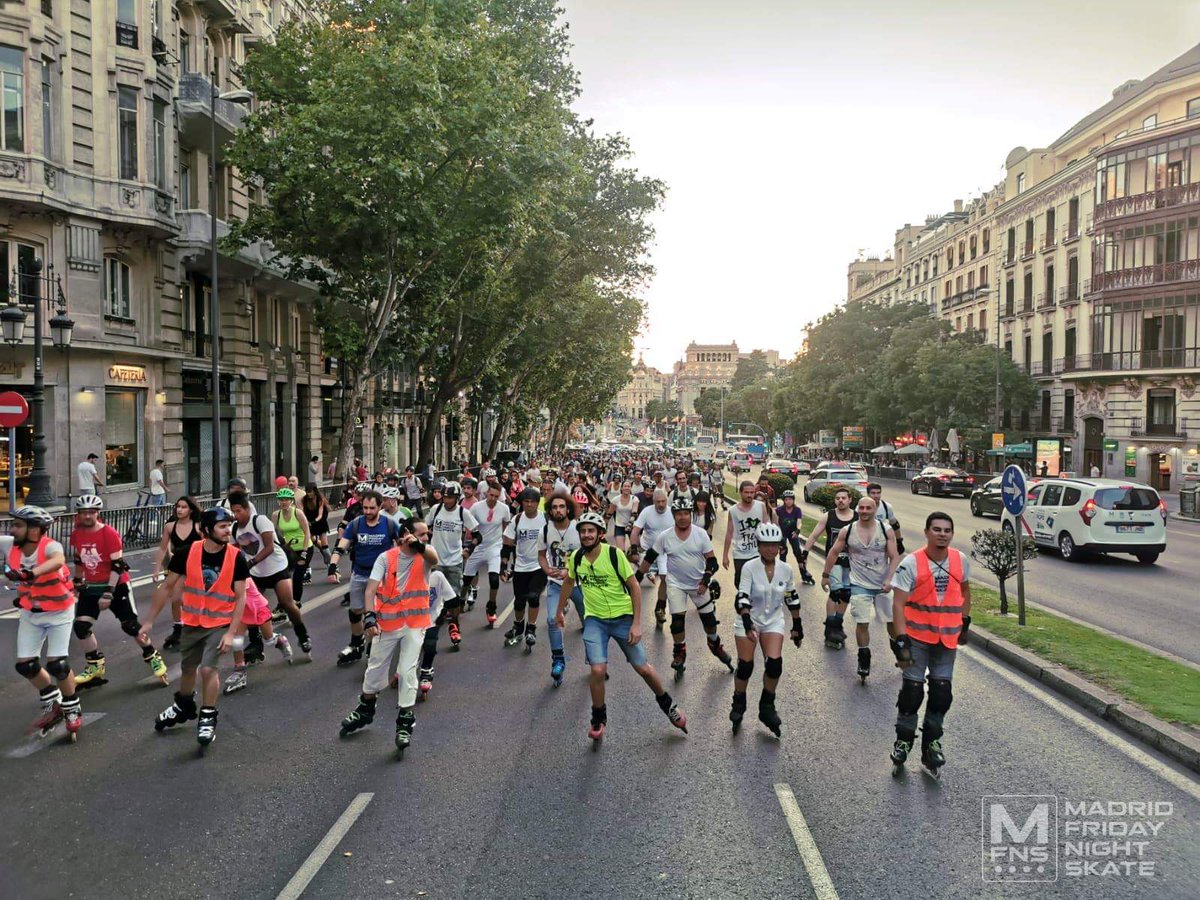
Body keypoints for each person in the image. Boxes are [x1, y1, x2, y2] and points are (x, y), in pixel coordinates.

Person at [557, 511, 688, 745]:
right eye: (583, 531)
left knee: (644, 669)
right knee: (597, 671)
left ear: (599, 534)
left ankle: (669, 706)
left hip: (623, 619)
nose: (586, 535)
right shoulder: (576, 558)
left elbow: (634, 587)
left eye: (591, 531)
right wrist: (559, 611)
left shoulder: (614, 555)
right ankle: (598, 718)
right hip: (595, 621)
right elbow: (568, 581)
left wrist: (636, 624)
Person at [141, 507, 249, 749]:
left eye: (229, 526)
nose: (227, 532)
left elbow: (241, 597)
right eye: (222, 527)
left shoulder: (236, 557)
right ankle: (184, 705)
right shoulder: (186, 553)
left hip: (220, 623)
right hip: (192, 622)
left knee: (208, 670)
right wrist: (149, 620)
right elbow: (167, 588)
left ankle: (208, 715)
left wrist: (232, 633)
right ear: (206, 530)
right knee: (188, 668)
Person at [338, 519, 442, 755]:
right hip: (387, 623)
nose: (426, 537)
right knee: (374, 667)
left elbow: (434, 558)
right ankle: (365, 709)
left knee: (406, 671)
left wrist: (421, 544)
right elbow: (370, 590)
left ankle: (405, 722)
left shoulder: (425, 556)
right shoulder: (386, 558)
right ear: (406, 534)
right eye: (421, 534)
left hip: (415, 624)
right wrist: (370, 617)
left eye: (427, 534)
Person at [888, 511, 972, 776]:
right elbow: (898, 604)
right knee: (913, 691)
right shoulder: (910, 563)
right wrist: (901, 641)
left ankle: (932, 743)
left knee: (941, 692)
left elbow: (965, 591)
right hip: (916, 637)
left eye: (947, 530)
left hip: (946, 638)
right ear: (926, 532)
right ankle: (903, 739)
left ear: (952, 534)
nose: (942, 534)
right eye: (937, 529)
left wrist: (965, 622)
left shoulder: (960, 560)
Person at [68, 495, 168, 688]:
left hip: (116, 584)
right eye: (83, 512)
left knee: (130, 625)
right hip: (91, 586)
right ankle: (95, 665)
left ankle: (152, 655)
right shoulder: (77, 534)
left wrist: (108, 593)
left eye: (91, 512)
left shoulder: (109, 533)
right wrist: (78, 582)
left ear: (98, 513)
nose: (87, 516)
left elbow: (117, 565)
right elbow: (79, 559)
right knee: (81, 627)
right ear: (78, 515)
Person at [7, 506, 84, 740]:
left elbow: (58, 560)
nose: (13, 529)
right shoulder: (11, 545)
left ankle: (71, 707)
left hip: (60, 611)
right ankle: (52, 701)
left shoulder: (50, 546)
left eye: (19, 525)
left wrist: (31, 573)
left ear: (35, 530)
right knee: (26, 666)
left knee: (58, 664)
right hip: (32, 611)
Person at [637, 496, 730, 681]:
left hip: (698, 585)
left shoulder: (700, 534)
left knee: (710, 622)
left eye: (686, 513)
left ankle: (714, 644)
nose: (682, 517)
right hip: (676, 585)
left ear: (691, 514)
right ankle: (679, 652)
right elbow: (649, 558)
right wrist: (636, 579)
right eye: (678, 514)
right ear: (674, 515)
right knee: (677, 623)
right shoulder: (665, 536)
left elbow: (712, 561)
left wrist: (706, 580)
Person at [730, 522, 802, 737]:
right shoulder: (749, 567)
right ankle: (739, 703)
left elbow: (791, 596)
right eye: (765, 545)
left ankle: (766, 707)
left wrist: (797, 625)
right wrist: (746, 621)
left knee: (774, 665)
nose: (770, 549)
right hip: (748, 618)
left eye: (775, 545)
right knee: (745, 666)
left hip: (772, 620)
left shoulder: (786, 569)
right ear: (758, 546)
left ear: (780, 547)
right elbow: (742, 596)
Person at [822, 496, 899, 682]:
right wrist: (825, 575)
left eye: (868, 508)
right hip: (859, 585)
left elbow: (895, 557)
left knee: (892, 623)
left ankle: (899, 649)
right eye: (861, 508)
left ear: (875, 510)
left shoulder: (885, 530)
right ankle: (864, 659)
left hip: (882, 586)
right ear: (857, 510)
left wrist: (889, 579)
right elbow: (833, 552)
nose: (864, 511)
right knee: (862, 623)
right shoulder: (847, 531)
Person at [229, 491, 312, 655]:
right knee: (250, 608)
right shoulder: (234, 529)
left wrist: (250, 562)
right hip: (255, 573)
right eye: (234, 511)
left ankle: (303, 636)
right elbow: (233, 552)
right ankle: (255, 644)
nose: (236, 515)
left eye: (239, 511)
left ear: (247, 509)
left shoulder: (259, 521)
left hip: (276, 567)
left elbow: (269, 547)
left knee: (287, 603)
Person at [328, 490, 404, 665]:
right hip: (360, 574)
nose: (368, 511)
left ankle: (375, 644)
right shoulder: (356, 524)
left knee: (378, 613)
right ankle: (356, 645)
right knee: (355, 611)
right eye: (365, 508)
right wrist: (333, 565)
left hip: (382, 577)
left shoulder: (389, 524)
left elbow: (404, 543)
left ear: (380, 506)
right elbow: (342, 545)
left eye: (372, 508)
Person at [425, 481, 480, 649]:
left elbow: (478, 536)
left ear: (456, 498)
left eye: (449, 498)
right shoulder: (436, 510)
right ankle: (427, 628)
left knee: (454, 598)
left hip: (454, 562)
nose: (446, 500)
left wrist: (468, 549)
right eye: (444, 497)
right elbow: (425, 528)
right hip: (435, 562)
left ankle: (454, 626)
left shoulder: (463, 513)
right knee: (431, 597)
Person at [538, 493, 584, 686]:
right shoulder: (546, 529)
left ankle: (596, 660)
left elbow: (588, 555)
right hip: (556, 583)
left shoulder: (579, 528)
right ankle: (558, 661)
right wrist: (547, 569)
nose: (558, 510)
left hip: (580, 584)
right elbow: (541, 555)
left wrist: (570, 570)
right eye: (554, 507)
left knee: (591, 623)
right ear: (550, 510)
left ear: (568, 509)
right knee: (551, 619)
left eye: (562, 507)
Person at [803, 488, 856, 649]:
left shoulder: (858, 517)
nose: (840, 500)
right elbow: (814, 535)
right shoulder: (829, 516)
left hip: (852, 564)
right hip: (834, 563)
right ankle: (830, 628)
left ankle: (837, 624)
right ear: (835, 501)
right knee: (836, 593)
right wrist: (805, 553)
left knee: (846, 594)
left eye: (843, 498)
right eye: (838, 498)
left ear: (850, 500)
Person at [220, 576, 293, 694]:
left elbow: (237, 596)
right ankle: (239, 670)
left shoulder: (241, 575)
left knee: (268, 639)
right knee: (237, 640)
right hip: (242, 610)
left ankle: (280, 640)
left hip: (258, 608)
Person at [152, 496, 203, 650]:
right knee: (176, 598)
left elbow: (207, 546)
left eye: (184, 507)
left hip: (195, 566)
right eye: (178, 506)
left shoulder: (198, 526)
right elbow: (162, 548)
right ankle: (178, 628)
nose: (179, 510)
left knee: (195, 598)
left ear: (191, 510)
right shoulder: (169, 526)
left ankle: (198, 626)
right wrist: (157, 568)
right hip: (178, 565)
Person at [501, 487, 547, 650]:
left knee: (533, 597)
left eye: (532, 502)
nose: (529, 505)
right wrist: (503, 566)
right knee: (519, 602)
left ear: (537, 503)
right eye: (526, 502)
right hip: (520, 566)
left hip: (539, 566)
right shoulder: (517, 520)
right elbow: (507, 543)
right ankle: (519, 626)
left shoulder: (545, 519)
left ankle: (531, 629)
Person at [462, 482, 511, 627]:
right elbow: (468, 524)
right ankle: (460, 601)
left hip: (494, 547)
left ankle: (491, 607)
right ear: (486, 493)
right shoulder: (477, 507)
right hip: (478, 547)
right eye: (491, 495)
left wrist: (505, 548)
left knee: (494, 580)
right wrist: (469, 545)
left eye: (497, 496)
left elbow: (506, 527)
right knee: (466, 579)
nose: (493, 498)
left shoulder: (504, 509)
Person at [630, 488, 674, 629]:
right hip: (647, 549)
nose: (661, 504)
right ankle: (627, 603)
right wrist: (634, 548)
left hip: (664, 551)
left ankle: (659, 608)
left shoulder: (672, 511)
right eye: (658, 502)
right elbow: (635, 531)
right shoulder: (647, 511)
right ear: (653, 501)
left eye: (663, 501)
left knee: (665, 577)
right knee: (638, 577)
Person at [723, 481, 769, 589]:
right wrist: (725, 555)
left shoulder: (761, 506)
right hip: (740, 553)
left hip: (757, 552)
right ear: (740, 493)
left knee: (758, 582)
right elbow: (729, 532)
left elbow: (766, 529)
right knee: (740, 582)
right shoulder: (733, 511)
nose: (749, 495)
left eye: (752, 492)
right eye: (746, 492)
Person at [273, 488, 314, 606]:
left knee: (297, 577)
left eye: (286, 500)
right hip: (289, 550)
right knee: (282, 578)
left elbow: (307, 533)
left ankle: (296, 602)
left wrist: (305, 552)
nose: (283, 502)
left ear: (291, 501)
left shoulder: (298, 513)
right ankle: (282, 604)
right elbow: (273, 533)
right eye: (281, 500)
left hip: (304, 547)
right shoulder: (276, 515)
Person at [775, 490, 816, 585]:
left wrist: (798, 530)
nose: (788, 501)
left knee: (798, 553)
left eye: (790, 499)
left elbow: (799, 521)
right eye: (786, 499)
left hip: (793, 533)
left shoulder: (797, 510)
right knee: (783, 552)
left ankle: (804, 573)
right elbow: (775, 521)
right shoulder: (779, 510)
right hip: (782, 534)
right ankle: (782, 575)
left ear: (793, 500)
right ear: (783, 500)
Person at [867, 483, 904, 555]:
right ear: (868, 494)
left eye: (878, 493)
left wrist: (899, 541)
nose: (876, 496)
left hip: (881, 540)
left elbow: (894, 524)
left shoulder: (886, 506)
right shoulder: (861, 507)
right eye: (873, 493)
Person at [302, 483, 333, 567]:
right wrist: (305, 521)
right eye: (307, 492)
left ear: (315, 491)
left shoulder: (320, 499)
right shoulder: (304, 500)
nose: (309, 494)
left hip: (320, 523)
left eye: (310, 492)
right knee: (313, 540)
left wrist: (312, 522)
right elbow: (303, 512)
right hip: (310, 521)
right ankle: (324, 553)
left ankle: (331, 564)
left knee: (325, 545)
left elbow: (320, 515)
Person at [607, 481, 637, 551]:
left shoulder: (634, 499)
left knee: (634, 552)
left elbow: (634, 512)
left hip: (631, 526)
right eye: (625, 486)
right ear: (622, 488)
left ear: (631, 488)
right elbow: (609, 514)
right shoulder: (616, 499)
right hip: (619, 526)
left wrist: (630, 523)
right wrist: (604, 525)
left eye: (628, 486)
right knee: (620, 551)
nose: (626, 488)